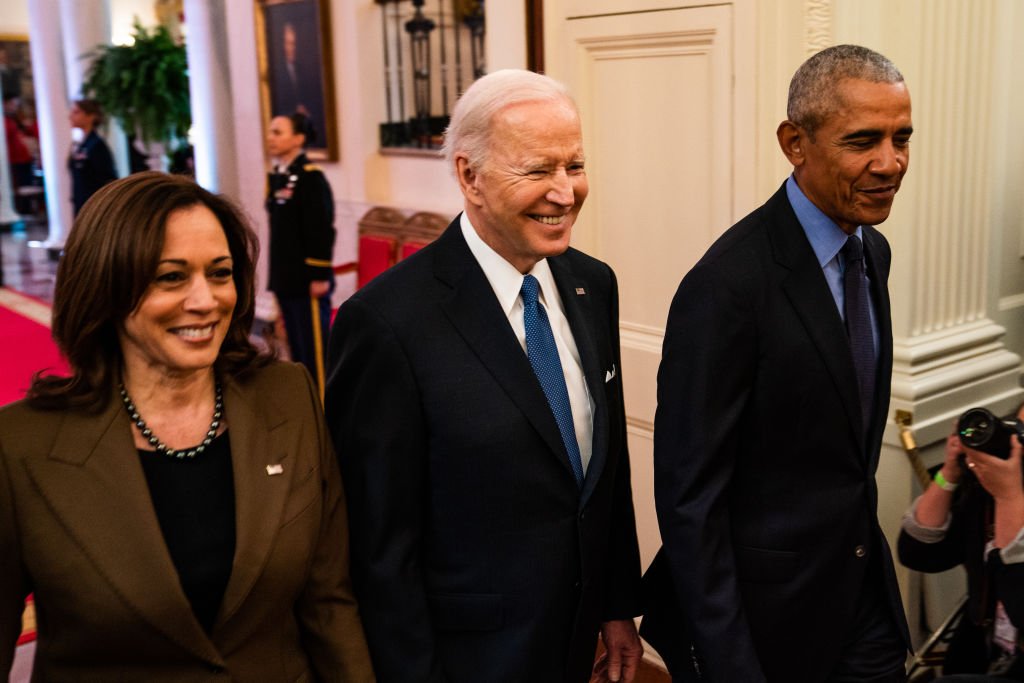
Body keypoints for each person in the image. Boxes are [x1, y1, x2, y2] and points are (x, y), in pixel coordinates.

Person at [324, 69, 643, 682]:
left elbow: (606, 472)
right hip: (463, 659)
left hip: (575, 642)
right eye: (537, 170)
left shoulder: (591, 283)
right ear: (470, 175)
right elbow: (375, 545)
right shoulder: (385, 324)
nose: (565, 192)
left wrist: (615, 604)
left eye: (573, 165)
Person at [0, 172, 374, 681]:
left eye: (219, 273)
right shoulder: (21, 445)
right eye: (171, 277)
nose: (205, 300)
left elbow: (329, 601)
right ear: (107, 286)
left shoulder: (288, 396)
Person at [646, 44, 915, 682]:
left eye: (901, 137)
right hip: (767, 627)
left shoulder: (870, 250)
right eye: (862, 141)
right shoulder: (727, 286)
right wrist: (730, 660)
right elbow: (691, 497)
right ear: (795, 142)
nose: (891, 163)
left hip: (860, 599)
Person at [898, 413, 1024, 680]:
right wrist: (950, 473)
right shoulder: (991, 488)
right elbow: (919, 555)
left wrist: (1010, 497)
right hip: (981, 648)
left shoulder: (1007, 491)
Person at [266, 111, 335, 398]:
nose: (270, 137)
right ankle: (305, 406)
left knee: (315, 352)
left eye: (278, 132)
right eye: (271, 131)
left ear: (298, 138)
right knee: (296, 348)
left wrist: (320, 274)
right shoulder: (281, 177)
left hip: (308, 280)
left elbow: (320, 228)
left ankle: (324, 408)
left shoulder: (310, 178)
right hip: (287, 277)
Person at [68, 98, 117, 215]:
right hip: (81, 204)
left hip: (94, 207)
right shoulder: (81, 144)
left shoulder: (97, 145)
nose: (70, 116)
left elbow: (107, 178)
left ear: (91, 116)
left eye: (76, 112)